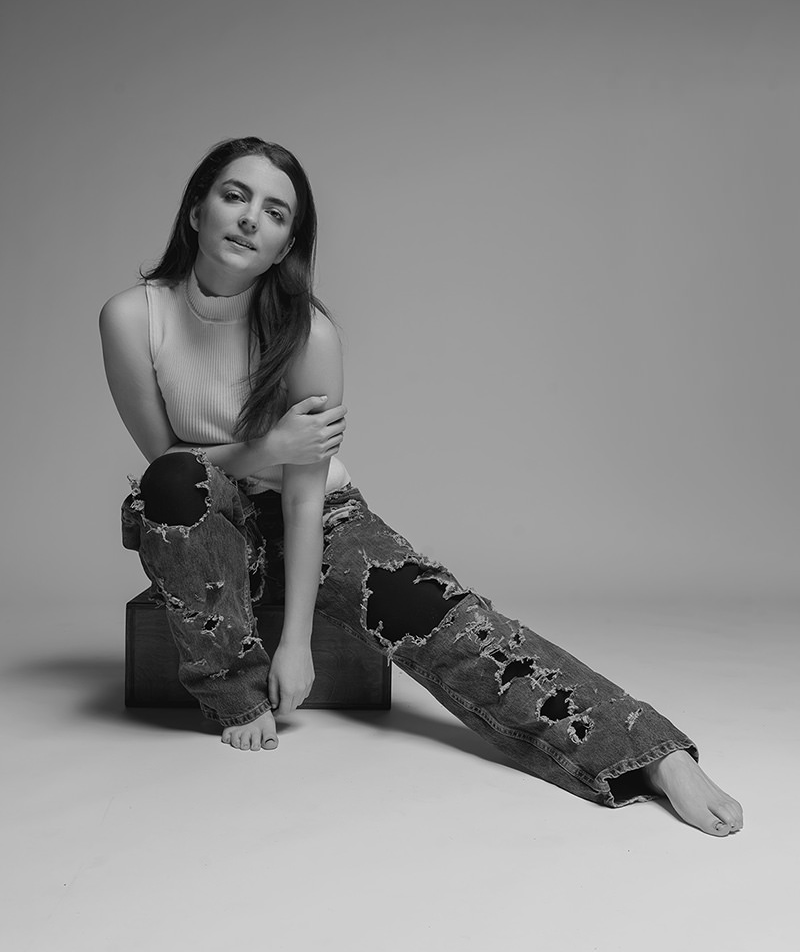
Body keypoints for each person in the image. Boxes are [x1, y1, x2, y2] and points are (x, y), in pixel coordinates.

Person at [100, 136, 743, 838]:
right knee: (168, 483)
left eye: (276, 212)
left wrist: (295, 643)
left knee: (450, 620)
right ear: (196, 211)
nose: (251, 218)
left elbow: (306, 497)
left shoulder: (307, 335)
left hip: (318, 517)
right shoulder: (134, 317)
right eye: (234, 195)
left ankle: (649, 754)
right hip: (208, 512)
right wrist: (268, 447)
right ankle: (232, 696)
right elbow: (169, 464)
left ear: (286, 247)